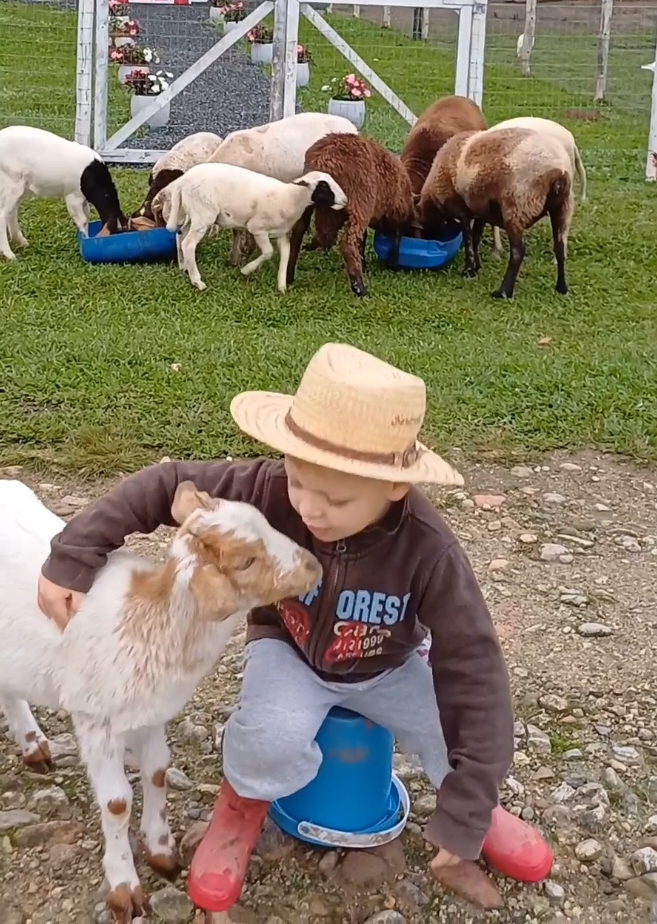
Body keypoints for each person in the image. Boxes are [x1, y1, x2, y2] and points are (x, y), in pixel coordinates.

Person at [38, 343, 552, 911]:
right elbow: (166, 485)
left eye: (336, 498)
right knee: (265, 736)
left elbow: (473, 663)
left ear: (395, 488)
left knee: (451, 726)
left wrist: (468, 805)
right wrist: (75, 552)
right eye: (299, 480)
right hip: (291, 653)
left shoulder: (429, 551)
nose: (309, 507)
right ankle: (241, 808)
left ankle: (476, 813)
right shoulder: (265, 488)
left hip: (387, 666)